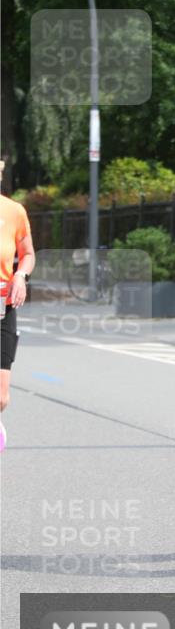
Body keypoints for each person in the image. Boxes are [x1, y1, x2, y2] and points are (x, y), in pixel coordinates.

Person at [0, 160, 36, 451]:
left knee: (1, 397)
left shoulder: (14, 211)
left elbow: (27, 254)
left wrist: (21, 276)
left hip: (3, 305)